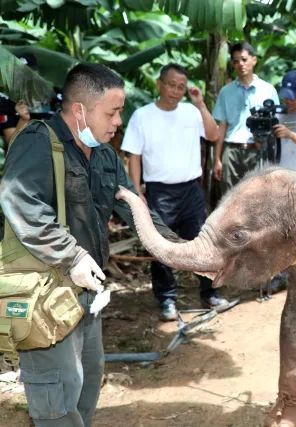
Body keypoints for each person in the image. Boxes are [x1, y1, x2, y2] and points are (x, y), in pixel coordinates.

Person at [0, 63, 176, 427]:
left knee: (88, 380)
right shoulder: (38, 142)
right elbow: (20, 202)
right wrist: (72, 255)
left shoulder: (106, 157)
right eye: (112, 112)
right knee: (56, 398)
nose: (117, 122)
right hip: (45, 294)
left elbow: (134, 208)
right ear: (80, 109)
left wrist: (182, 250)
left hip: (86, 296)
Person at [121, 63, 228, 321]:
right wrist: (137, 191)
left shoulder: (192, 112)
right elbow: (133, 156)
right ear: (159, 84)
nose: (176, 91)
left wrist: (201, 104)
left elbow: (213, 135)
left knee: (204, 242)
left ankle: (210, 293)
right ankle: (167, 299)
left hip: (191, 189)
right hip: (160, 191)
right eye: (171, 85)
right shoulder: (142, 116)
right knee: (162, 247)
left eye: (181, 87)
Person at [213, 42, 279, 192]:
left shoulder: (268, 90)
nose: (240, 64)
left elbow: (275, 124)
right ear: (232, 64)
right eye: (236, 61)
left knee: (256, 196)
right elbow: (222, 126)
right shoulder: (226, 92)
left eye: (244, 59)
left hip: (257, 150)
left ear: (254, 60)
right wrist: (217, 159)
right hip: (231, 150)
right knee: (228, 197)